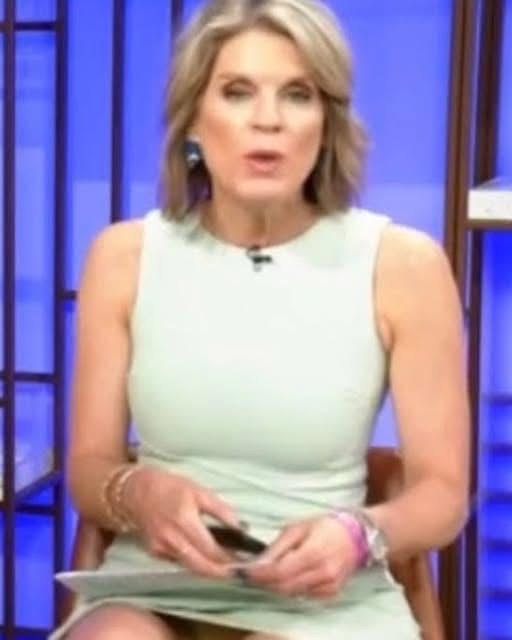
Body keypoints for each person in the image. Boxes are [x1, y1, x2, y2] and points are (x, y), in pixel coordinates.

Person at [51, 0, 470, 638]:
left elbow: (442, 495)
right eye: (237, 92)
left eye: (297, 95)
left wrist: (360, 532)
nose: (268, 120)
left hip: (329, 599)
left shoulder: (403, 265)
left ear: (327, 123)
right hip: (155, 585)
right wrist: (136, 492)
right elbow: (87, 470)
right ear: (193, 119)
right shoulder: (123, 257)